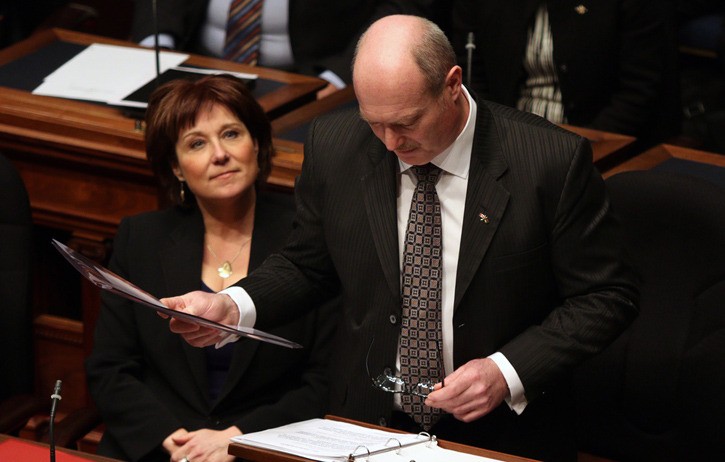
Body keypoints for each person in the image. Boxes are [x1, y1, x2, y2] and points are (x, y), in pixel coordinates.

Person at [161, 15, 639, 461]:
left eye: (406, 123)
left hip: (500, 434)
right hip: (365, 423)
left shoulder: (549, 161)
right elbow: (308, 263)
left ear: (452, 86)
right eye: (375, 123)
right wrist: (232, 306)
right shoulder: (336, 145)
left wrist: (506, 371)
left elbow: (605, 296)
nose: (390, 143)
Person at [85, 74, 337, 462]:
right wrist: (173, 440)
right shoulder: (142, 238)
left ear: (257, 143)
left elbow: (325, 380)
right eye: (197, 143)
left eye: (232, 134)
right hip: (161, 447)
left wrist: (239, 439)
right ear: (177, 168)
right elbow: (111, 368)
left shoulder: (310, 237)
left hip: (266, 448)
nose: (219, 154)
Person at [448, 0, 681, 148]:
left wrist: (580, 148)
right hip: (506, 136)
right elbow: (470, 72)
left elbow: (639, 90)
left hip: (598, 141)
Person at [131, 0, 432, 98]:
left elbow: (405, 3)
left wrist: (341, 75)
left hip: (315, 81)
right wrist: (155, 44)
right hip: (191, 63)